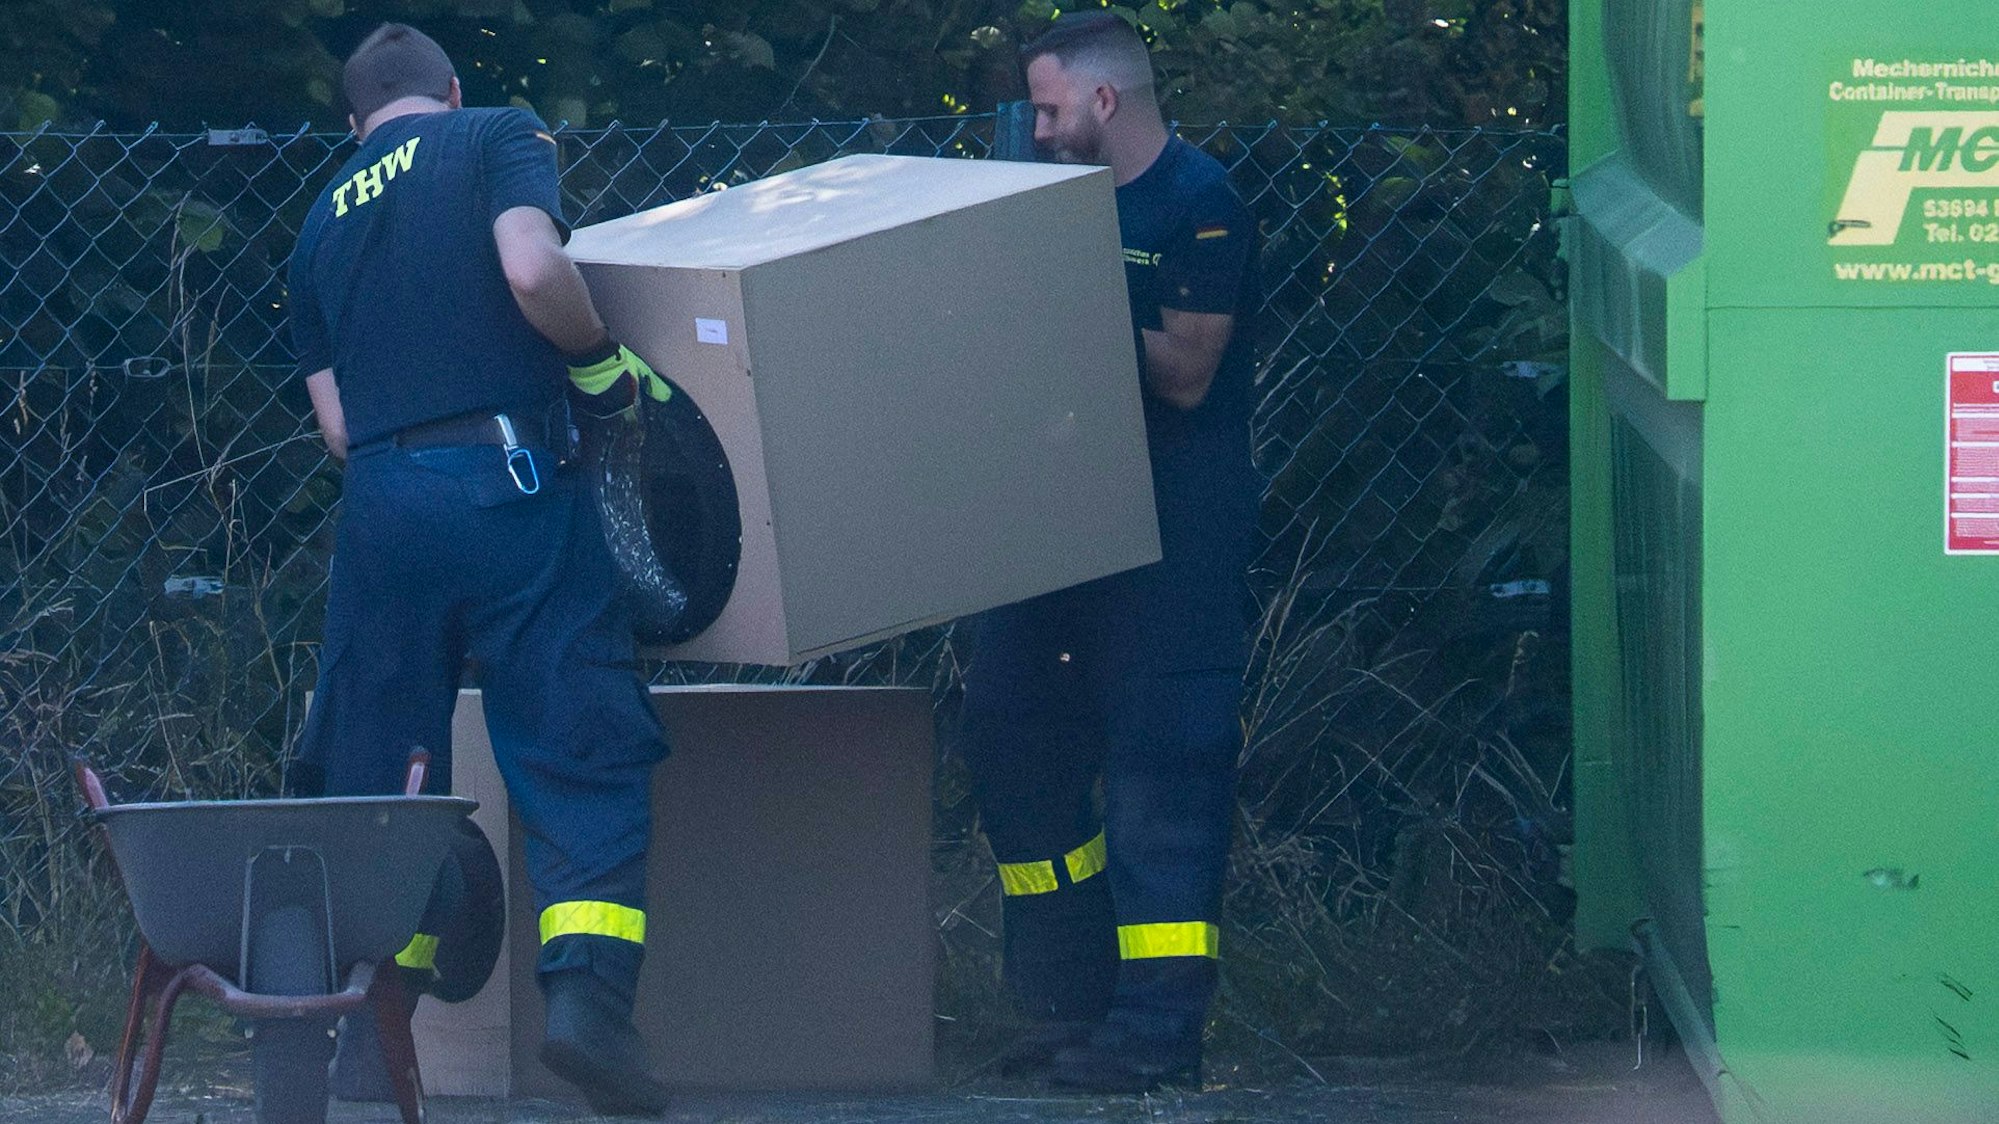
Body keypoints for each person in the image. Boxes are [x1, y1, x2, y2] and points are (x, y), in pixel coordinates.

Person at [287, 23, 676, 1117]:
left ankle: (372, 1039)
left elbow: (335, 426)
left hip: (380, 508)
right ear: (449, 92)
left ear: (354, 119)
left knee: (387, 775)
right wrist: (600, 365)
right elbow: (531, 264)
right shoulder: (494, 137)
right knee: (573, 734)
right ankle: (589, 1007)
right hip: (505, 483)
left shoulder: (318, 220)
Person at [956, 11, 1263, 1095]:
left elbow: (1185, 371)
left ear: (1101, 102)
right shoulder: (1045, 206)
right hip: (1051, 528)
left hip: (1170, 535)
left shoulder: (1199, 203)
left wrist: (1066, 302)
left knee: (1160, 769)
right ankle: (1067, 998)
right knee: (1007, 730)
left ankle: (1157, 1028)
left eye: (1046, 108)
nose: (1034, 130)